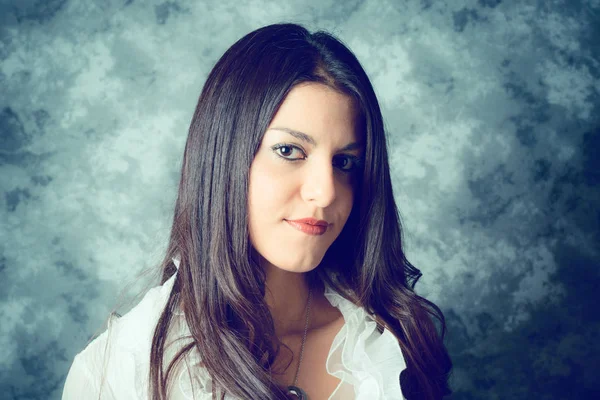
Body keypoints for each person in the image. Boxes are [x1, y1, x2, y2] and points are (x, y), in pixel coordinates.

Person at [62, 22, 452, 400]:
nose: (325, 192)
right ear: (223, 158)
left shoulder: (388, 340)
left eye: (345, 162)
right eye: (289, 151)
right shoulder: (120, 368)